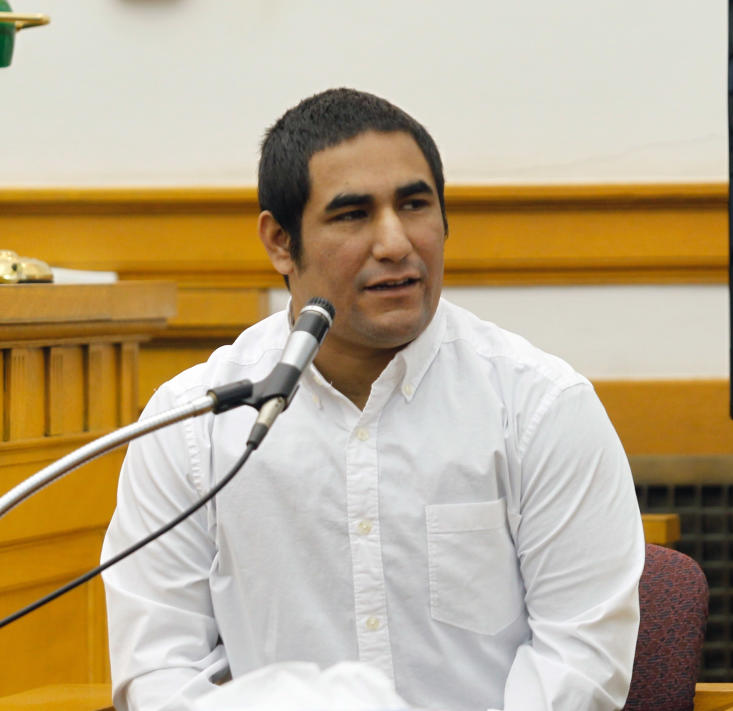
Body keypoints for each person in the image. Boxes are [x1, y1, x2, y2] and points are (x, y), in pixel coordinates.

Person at [101, 88, 644, 711]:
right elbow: (158, 672)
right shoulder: (195, 424)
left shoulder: (540, 407)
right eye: (353, 214)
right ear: (281, 241)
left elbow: (580, 665)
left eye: (415, 205)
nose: (396, 243)